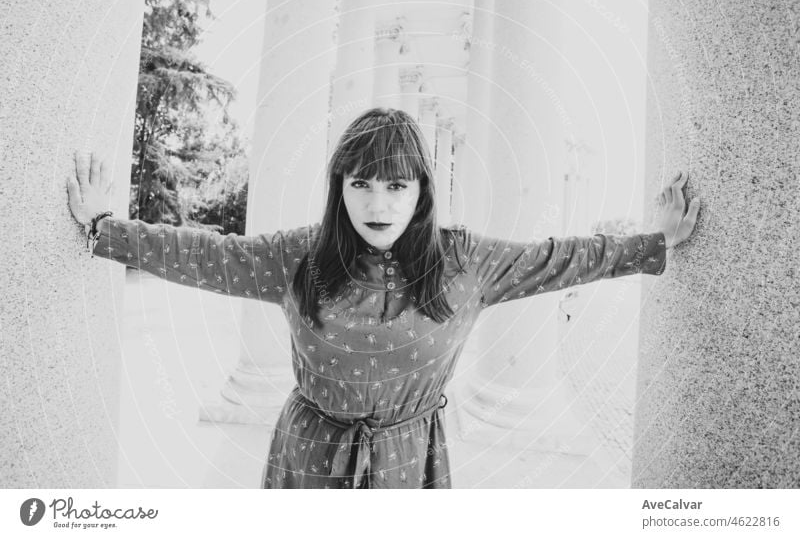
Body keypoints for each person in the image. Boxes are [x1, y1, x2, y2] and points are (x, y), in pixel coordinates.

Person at [66, 107, 700, 489]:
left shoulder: (465, 261)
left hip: (409, 459)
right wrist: (103, 228)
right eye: (360, 181)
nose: (377, 203)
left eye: (396, 184)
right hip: (310, 455)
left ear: (421, 191)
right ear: (338, 185)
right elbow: (203, 254)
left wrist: (655, 243)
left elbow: (561, 258)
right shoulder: (300, 257)